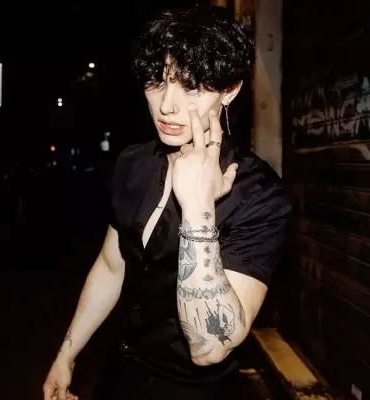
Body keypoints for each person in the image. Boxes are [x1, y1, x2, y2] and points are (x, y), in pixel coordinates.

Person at [43, 5, 293, 400]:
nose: (166, 105)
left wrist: (198, 210)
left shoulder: (261, 196)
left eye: (191, 86)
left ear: (229, 90)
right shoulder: (133, 163)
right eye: (156, 82)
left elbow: (211, 348)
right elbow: (112, 265)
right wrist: (67, 354)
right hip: (120, 374)